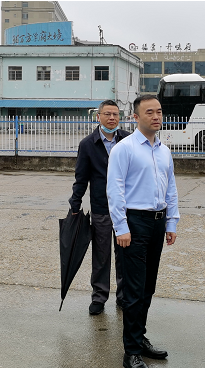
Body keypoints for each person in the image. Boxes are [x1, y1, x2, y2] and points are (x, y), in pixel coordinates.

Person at [107, 94, 180, 368]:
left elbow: (170, 187)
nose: (156, 116)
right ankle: (131, 352)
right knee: (134, 290)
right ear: (136, 117)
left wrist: (171, 221)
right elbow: (115, 190)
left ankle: (140, 337)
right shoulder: (124, 149)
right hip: (134, 224)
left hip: (157, 223)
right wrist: (121, 227)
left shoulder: (164, 151)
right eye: (149, 112)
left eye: (159, 111)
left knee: (148, 286)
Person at [69, 100, 130, 315]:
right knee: (101, 255)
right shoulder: (88, 144)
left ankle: (124, 295)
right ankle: (99, 296)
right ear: (98, 116)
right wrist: (75, 204)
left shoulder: (128, 140)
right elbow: (81, 178)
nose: (112, 118)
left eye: (115, 114)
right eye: (107, 114)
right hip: (101, 208)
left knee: (125, 255)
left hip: (126, 208)